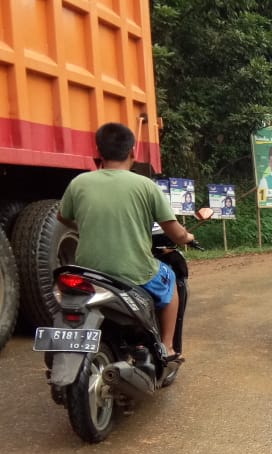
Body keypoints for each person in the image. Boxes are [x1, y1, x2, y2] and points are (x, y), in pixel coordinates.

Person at [57, 122, 194, 358]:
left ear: (98, 152)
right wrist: (188, 236)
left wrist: (86, 225)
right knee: (170, 281)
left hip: (87, 273)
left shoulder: (79, 183)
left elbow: (63, 217)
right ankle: (168, 347)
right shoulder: (145, 186)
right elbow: (176, 233)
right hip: (134, 272)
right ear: (133, 151)